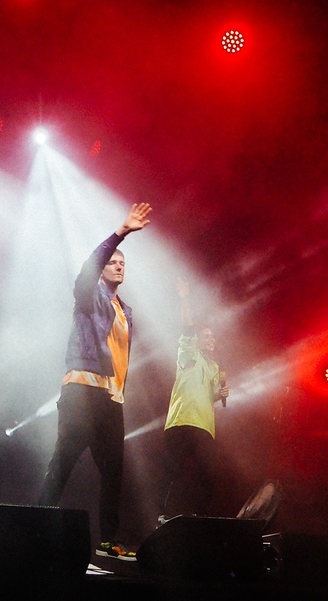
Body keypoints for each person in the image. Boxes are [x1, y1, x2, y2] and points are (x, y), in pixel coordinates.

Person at [38, 202, 153, 562]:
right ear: (102, 269)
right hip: (83, 389)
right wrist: (121, 233)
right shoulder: (89, 298)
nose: (119, 266)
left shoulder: (124, 311)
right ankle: (32, 525)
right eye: (113, 262)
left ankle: (108, 540)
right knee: (63, 463)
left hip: (110, 398)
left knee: (114, 473)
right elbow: (88, 268)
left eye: (123, 263)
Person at [157, 276, 229, 522]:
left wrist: (220, 394)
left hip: (204, 427)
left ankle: (200, 517)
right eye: (206, 336)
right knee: (171, 472)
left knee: (208, 474)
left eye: (213, 336)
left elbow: (211, 395)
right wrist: (185, 298)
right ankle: (162, 515)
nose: (212, 339)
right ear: (196, 340)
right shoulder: (189, 353)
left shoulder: (214, 366)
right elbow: (187, 327)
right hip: (181, 422)